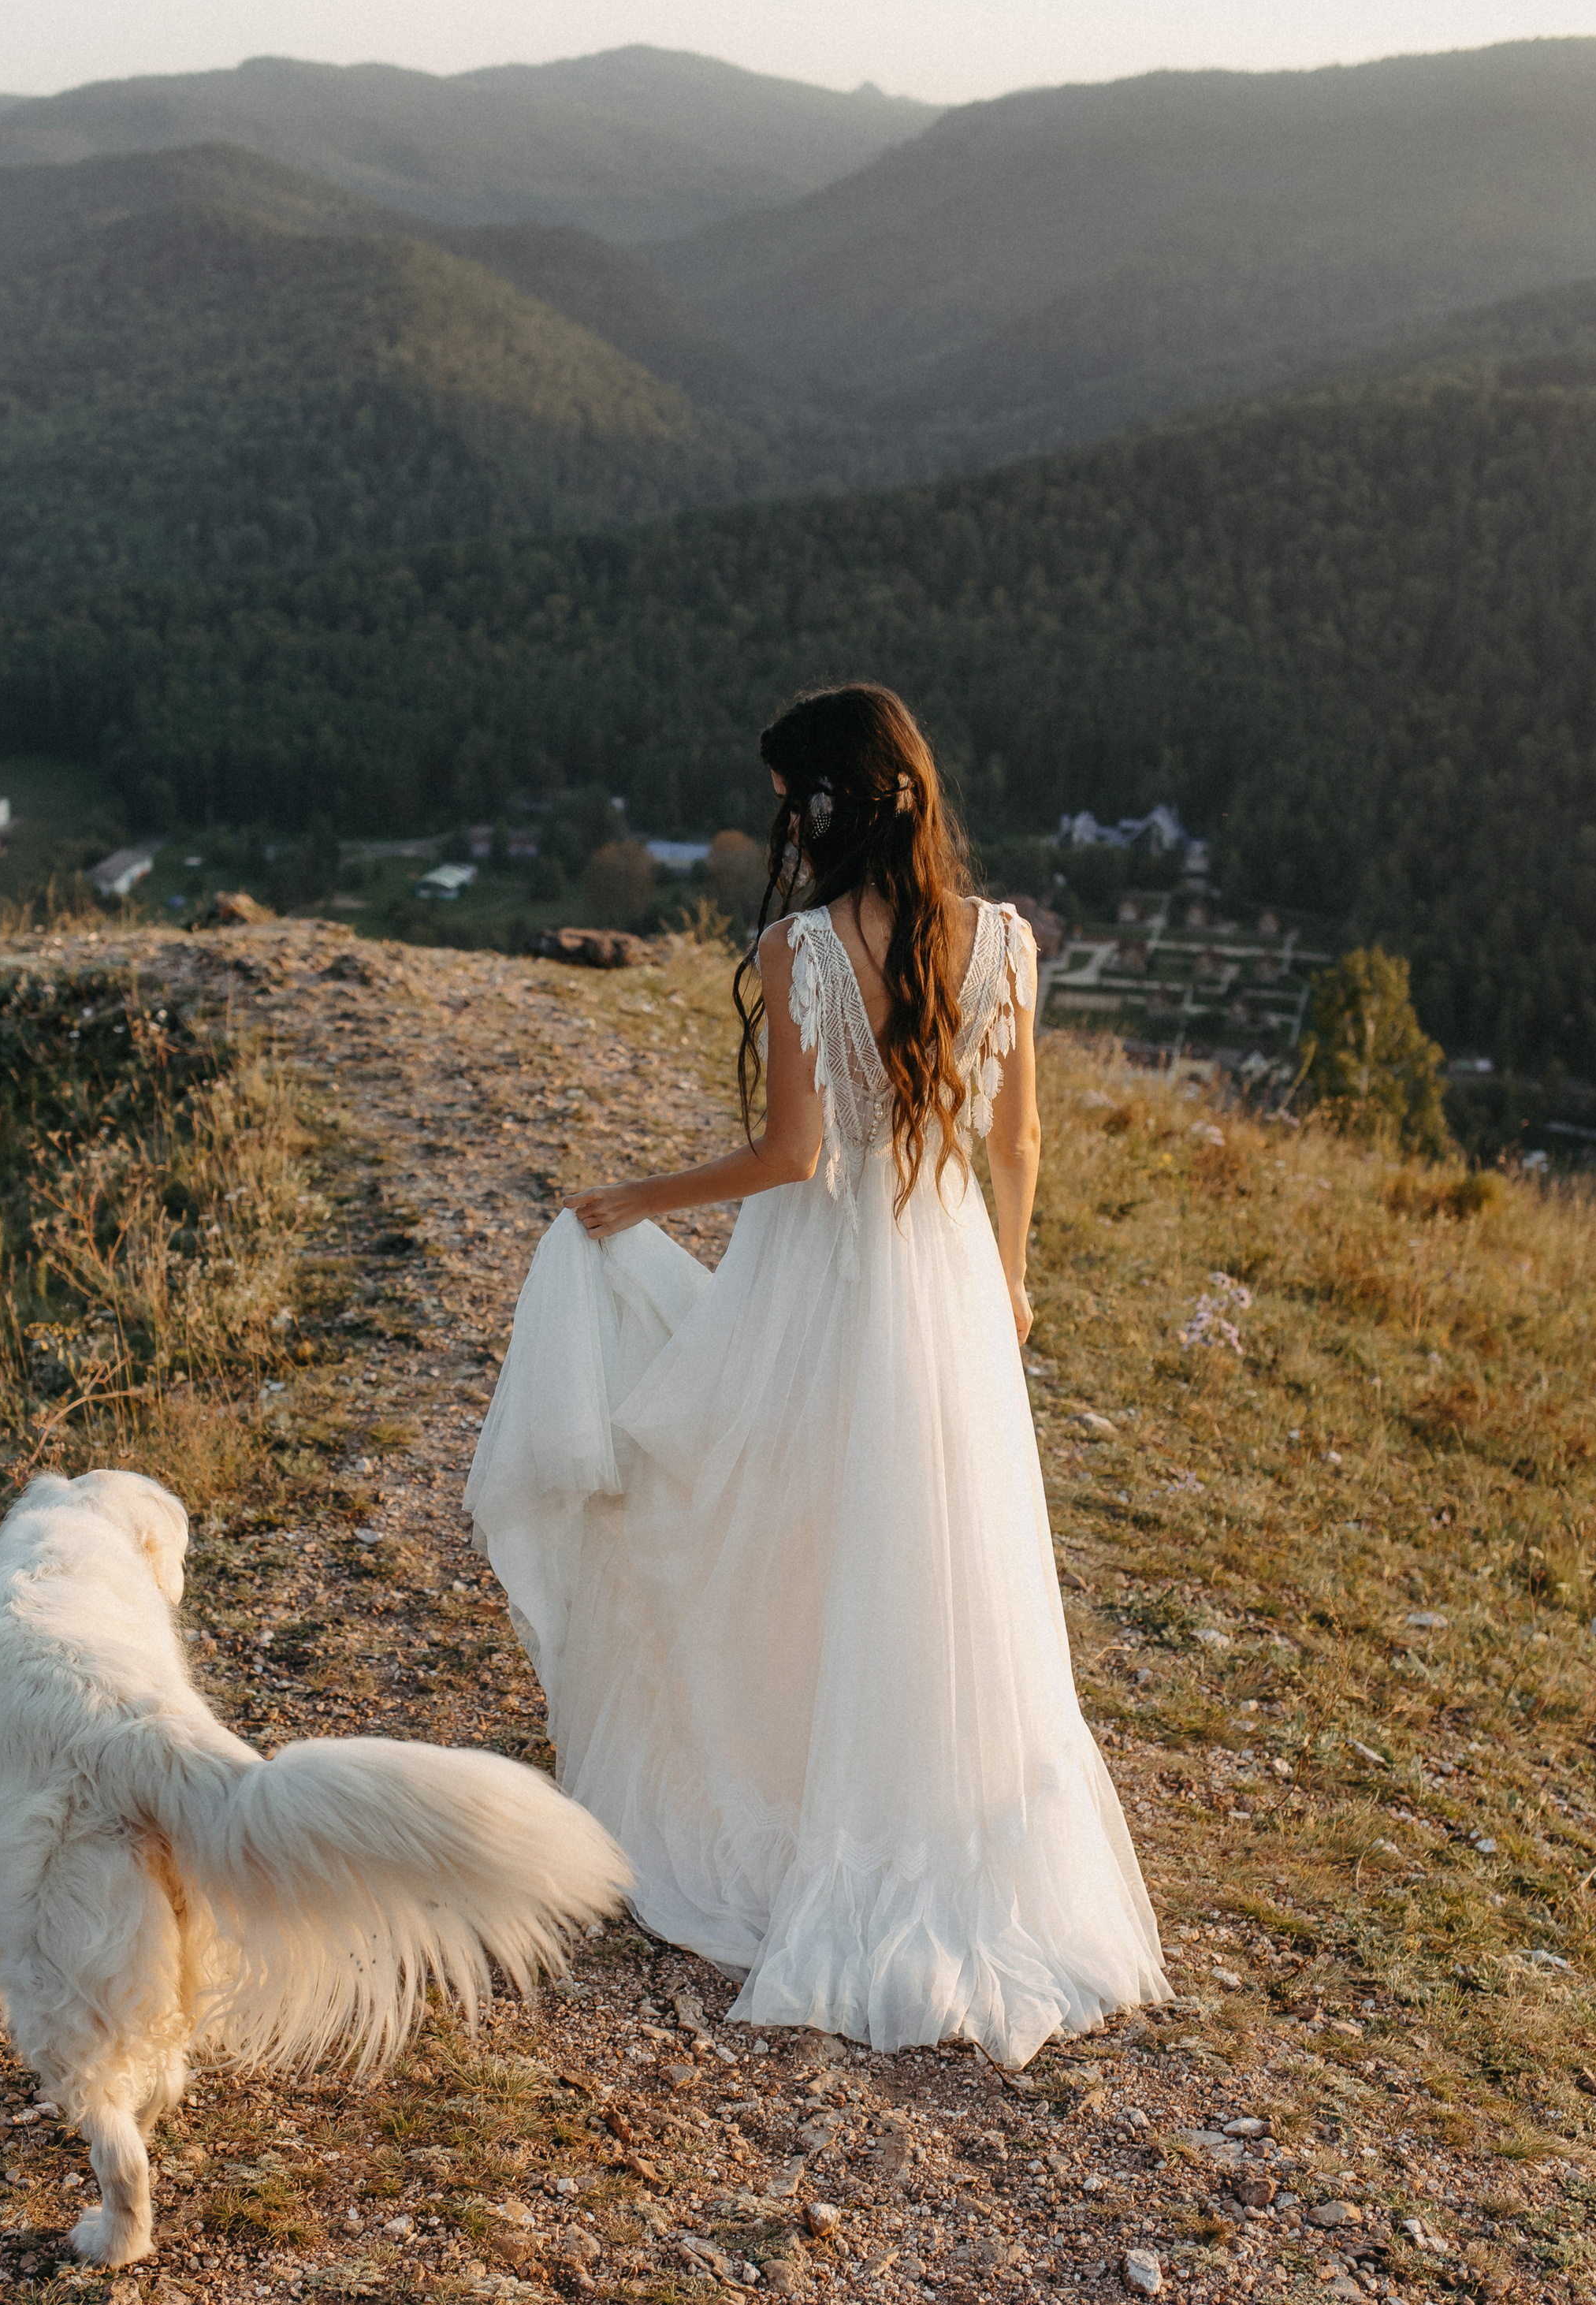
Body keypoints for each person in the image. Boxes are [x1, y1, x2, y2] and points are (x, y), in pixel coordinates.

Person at [466, 683, 1166, 2061]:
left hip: (825, 1284)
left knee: (752, 1513)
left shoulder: (801, 948)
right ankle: (933, 1804)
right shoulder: (1007, 943)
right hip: (949, 1279)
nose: (785, 824)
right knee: (935, 1548)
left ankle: (782, 1779)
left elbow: (792, 1156)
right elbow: (1016, 1144)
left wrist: (636, 1199)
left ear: (831, 806)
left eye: (791, 802)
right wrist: (1012, 1279)